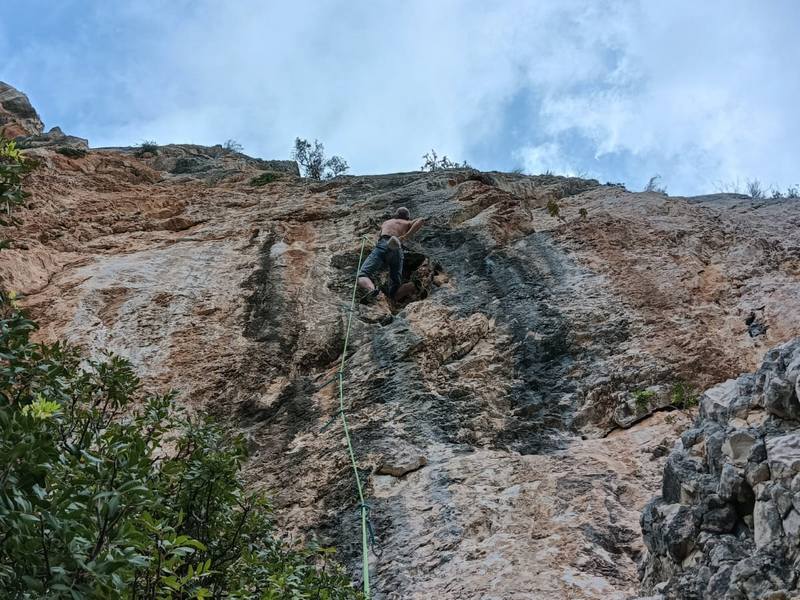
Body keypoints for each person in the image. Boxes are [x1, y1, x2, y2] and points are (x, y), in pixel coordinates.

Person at [357, 207, 425, 301]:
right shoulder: (406, 223)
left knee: (363, 274)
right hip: (397, 249)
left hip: (383, 244)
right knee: (395, 282)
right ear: (407, 217)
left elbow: (379, 237)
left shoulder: (386, 222)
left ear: (396, 215)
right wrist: (405, 236)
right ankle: (407, 288)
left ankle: (372, 290)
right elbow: (421, 220)